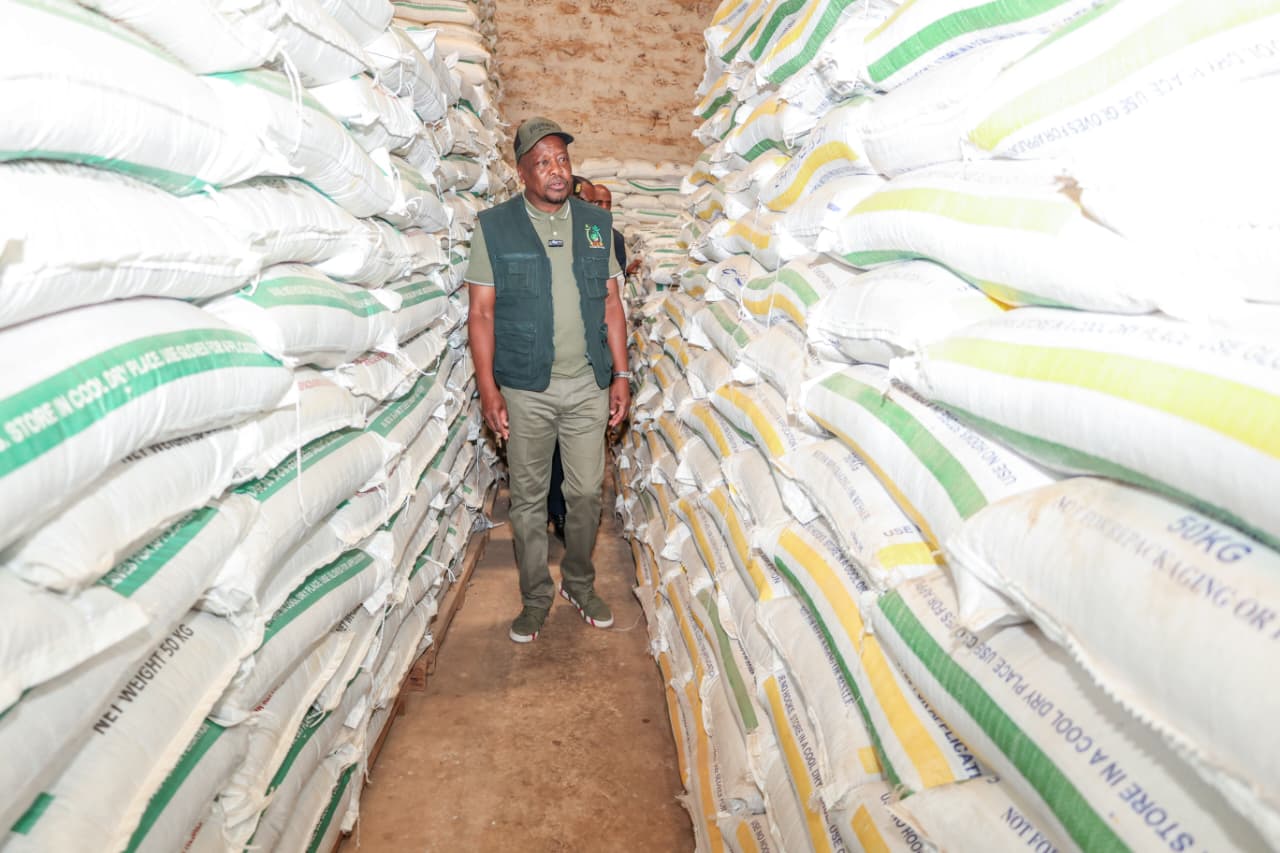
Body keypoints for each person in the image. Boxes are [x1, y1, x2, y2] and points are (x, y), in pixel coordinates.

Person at [465, 117, 631, 643]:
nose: (556, 170)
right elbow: (482, 314)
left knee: (584, 496)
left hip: (587, 383)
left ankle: (578, 583)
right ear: (522, 173)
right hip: (524, 387)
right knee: (529, 500)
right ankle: (535, 596)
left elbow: (611, 302)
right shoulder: (494, 227)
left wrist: (621, 374)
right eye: (542, 162)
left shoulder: (594, 224)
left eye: (561, 159)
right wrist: (489, 389)